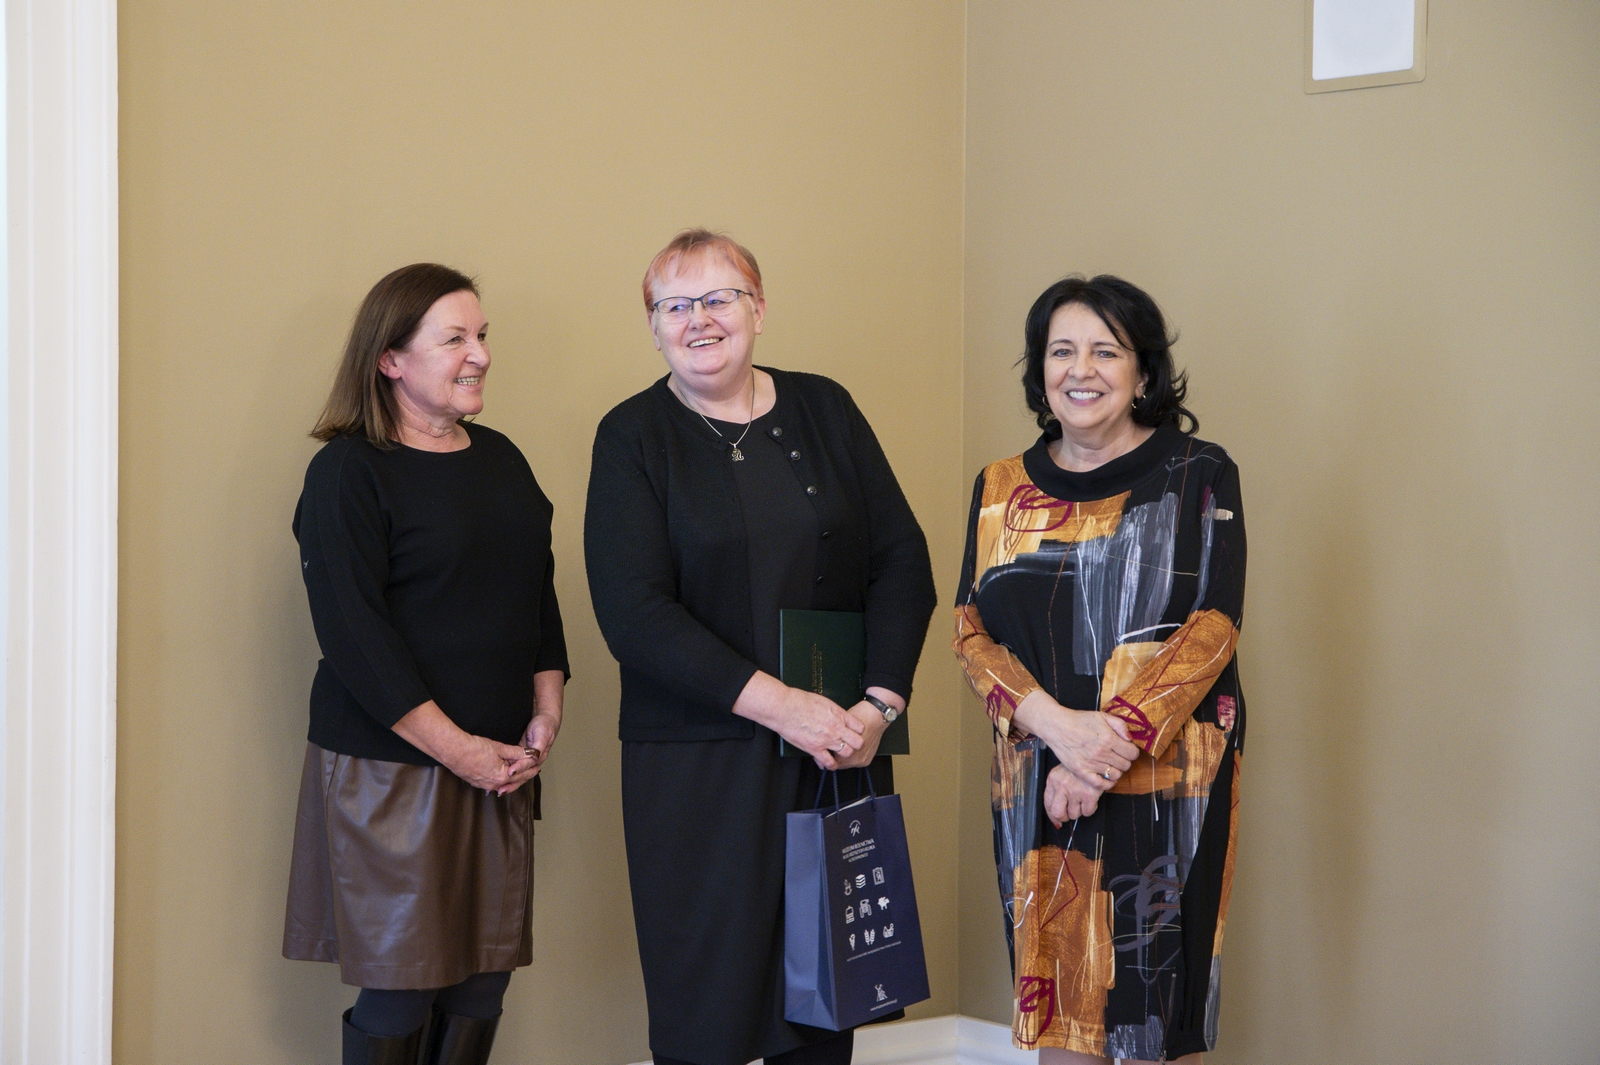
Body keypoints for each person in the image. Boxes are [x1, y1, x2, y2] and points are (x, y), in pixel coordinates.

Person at [584, 229, 938, 1065]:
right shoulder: (631, 435)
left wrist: (878, 705)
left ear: (759, 309)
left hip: (838, 750)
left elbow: (901, 559)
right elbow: (634, 614)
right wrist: (785, 708)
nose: (699, 319)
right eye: (676, 305)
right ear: (653, 326)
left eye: (720, 298)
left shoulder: (827, 407)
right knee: (706, 1013)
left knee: (826, 1004)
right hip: (697, 769)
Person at [953, 276, 1246, 1065]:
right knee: (1061, 1000)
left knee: (1153, 1007)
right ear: (1040, 370)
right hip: (1035, 778)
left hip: (1167, 777)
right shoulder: (998, 487)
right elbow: (971, 631)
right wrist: (1057, 728)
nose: (1080, 369)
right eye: (1061, 351)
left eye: (1105, 351)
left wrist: (1099, 752)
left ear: (1143, 372)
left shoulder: (1200, 473)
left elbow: (1212, 627)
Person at [283, 263, 569, 1065]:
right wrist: (460, 750)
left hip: (500, 765)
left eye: (482, 335)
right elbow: (356, 640)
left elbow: (537, 596)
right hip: (392, 770)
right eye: (454, 339)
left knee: (483, 981)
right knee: (403, 984)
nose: (479, 354)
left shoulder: (502, 459)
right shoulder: (347, 472)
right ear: (390, 359)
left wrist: (546, 710)